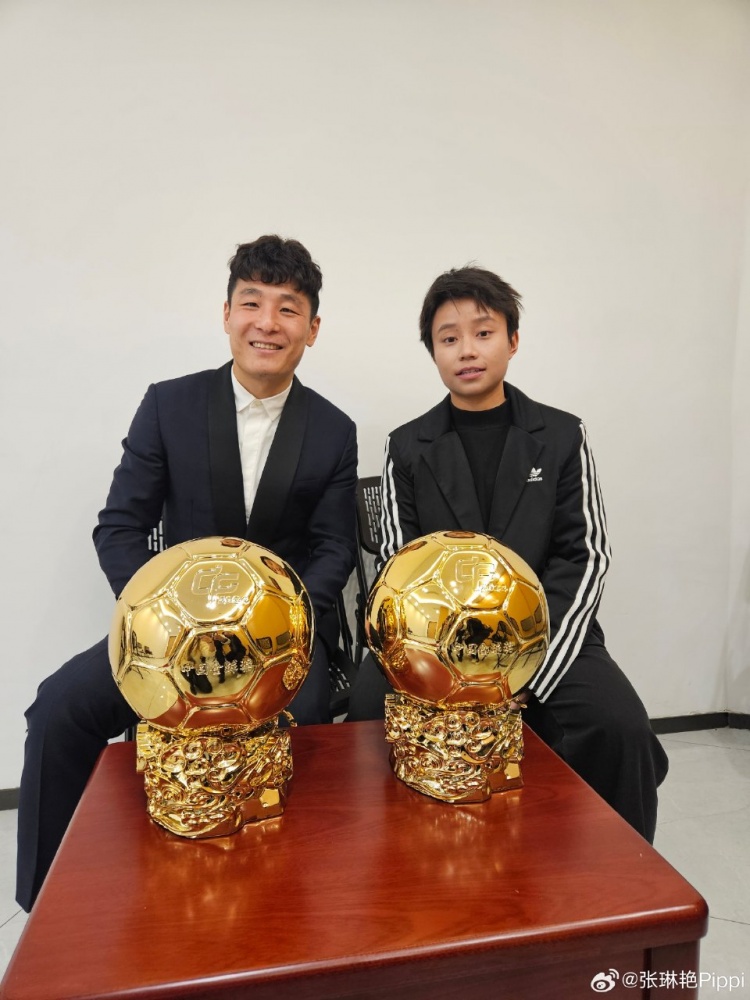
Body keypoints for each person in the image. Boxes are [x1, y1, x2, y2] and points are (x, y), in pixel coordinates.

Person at [17, 235, 358, 911]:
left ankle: (286, 911)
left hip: (278, 640)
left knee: (312, 720)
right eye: (251, 303)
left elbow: (332, 551)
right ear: (226, 314)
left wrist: (290, 626)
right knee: (58, 709)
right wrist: (160, 624)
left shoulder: (333, 429)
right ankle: (48, 908)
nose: (268, 322)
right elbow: (118, 527)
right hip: (170, 637)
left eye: (288, 308)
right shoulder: (168, 405)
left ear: (312, 328)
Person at [347, 265, 668, 843]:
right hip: (433, 646)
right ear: (433, 352)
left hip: (549, 637)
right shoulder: (407, 445)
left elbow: (585, 556)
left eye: (483, 332)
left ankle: (625, 877)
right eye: (449, 338)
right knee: (367, 717)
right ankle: (394, 861)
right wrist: (455, 668)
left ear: (513, 341)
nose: (467, 350)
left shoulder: (562, 434)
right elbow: (399, 570)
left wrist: (525, 666)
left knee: (620, 728)